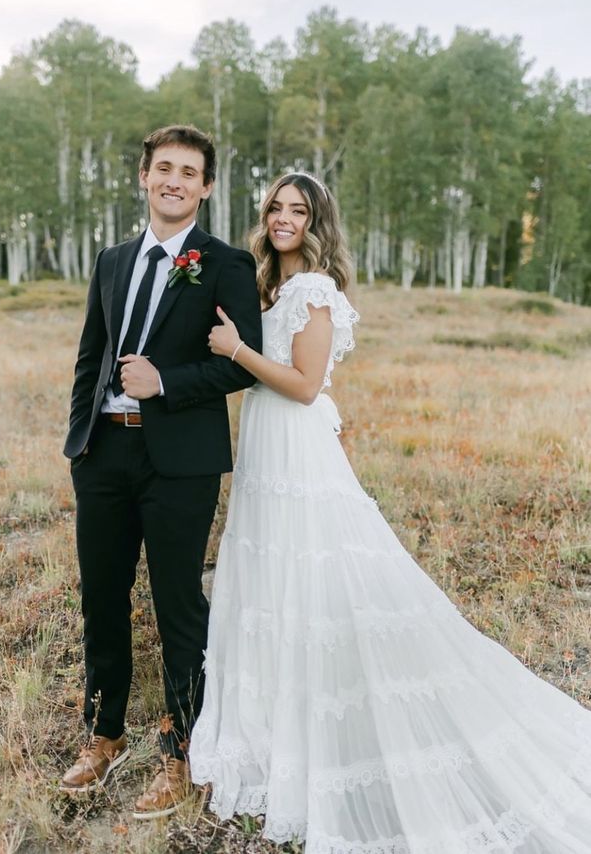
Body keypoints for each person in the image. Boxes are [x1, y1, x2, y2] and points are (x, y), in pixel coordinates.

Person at [189, 171, 591, 851]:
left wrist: (237, 351)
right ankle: (269, 726)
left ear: (317, 224)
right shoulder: (271, 284)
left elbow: (304, 384)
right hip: (266, 447)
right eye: (276, 209)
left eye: (298, 211)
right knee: (273, 573)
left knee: (318, 576)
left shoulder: (313, 290)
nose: (284, 219)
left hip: (294, 449)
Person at [59, 124, 262, 820]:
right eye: (163, 168)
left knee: (178, 606)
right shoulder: (112, 259)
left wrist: (165, 383)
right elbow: (93, 352)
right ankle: (103, 732)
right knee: (101, 599)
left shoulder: (224, 262)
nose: (174, 180)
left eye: (189, 171)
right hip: (104, 455)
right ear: (143, 178)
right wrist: (79, 440)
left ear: (206, 187)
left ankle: (183, 747)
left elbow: (243, 364)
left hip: (179, 462)